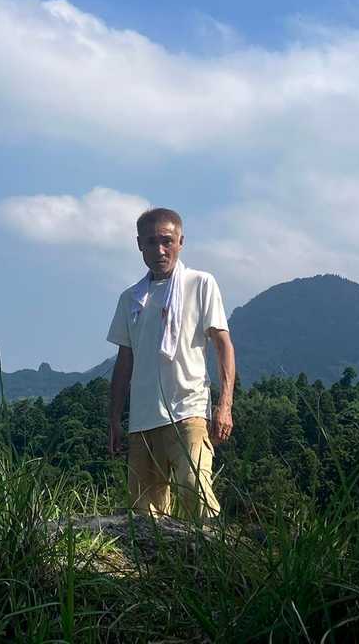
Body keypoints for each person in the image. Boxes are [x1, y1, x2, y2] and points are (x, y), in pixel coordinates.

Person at [106, 207, 235, 519]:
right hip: (143, 419)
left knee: (195, 490)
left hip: (188, 410)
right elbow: (124, 363)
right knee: (144, 514)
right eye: (151, 242)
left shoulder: (200, 283)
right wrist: (114, 419)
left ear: (180, 242)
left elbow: (223, 345)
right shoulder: (131, 298)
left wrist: (225, 405)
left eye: (167, 241)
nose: (160, 250)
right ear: (140, 244)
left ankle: (211, 549)